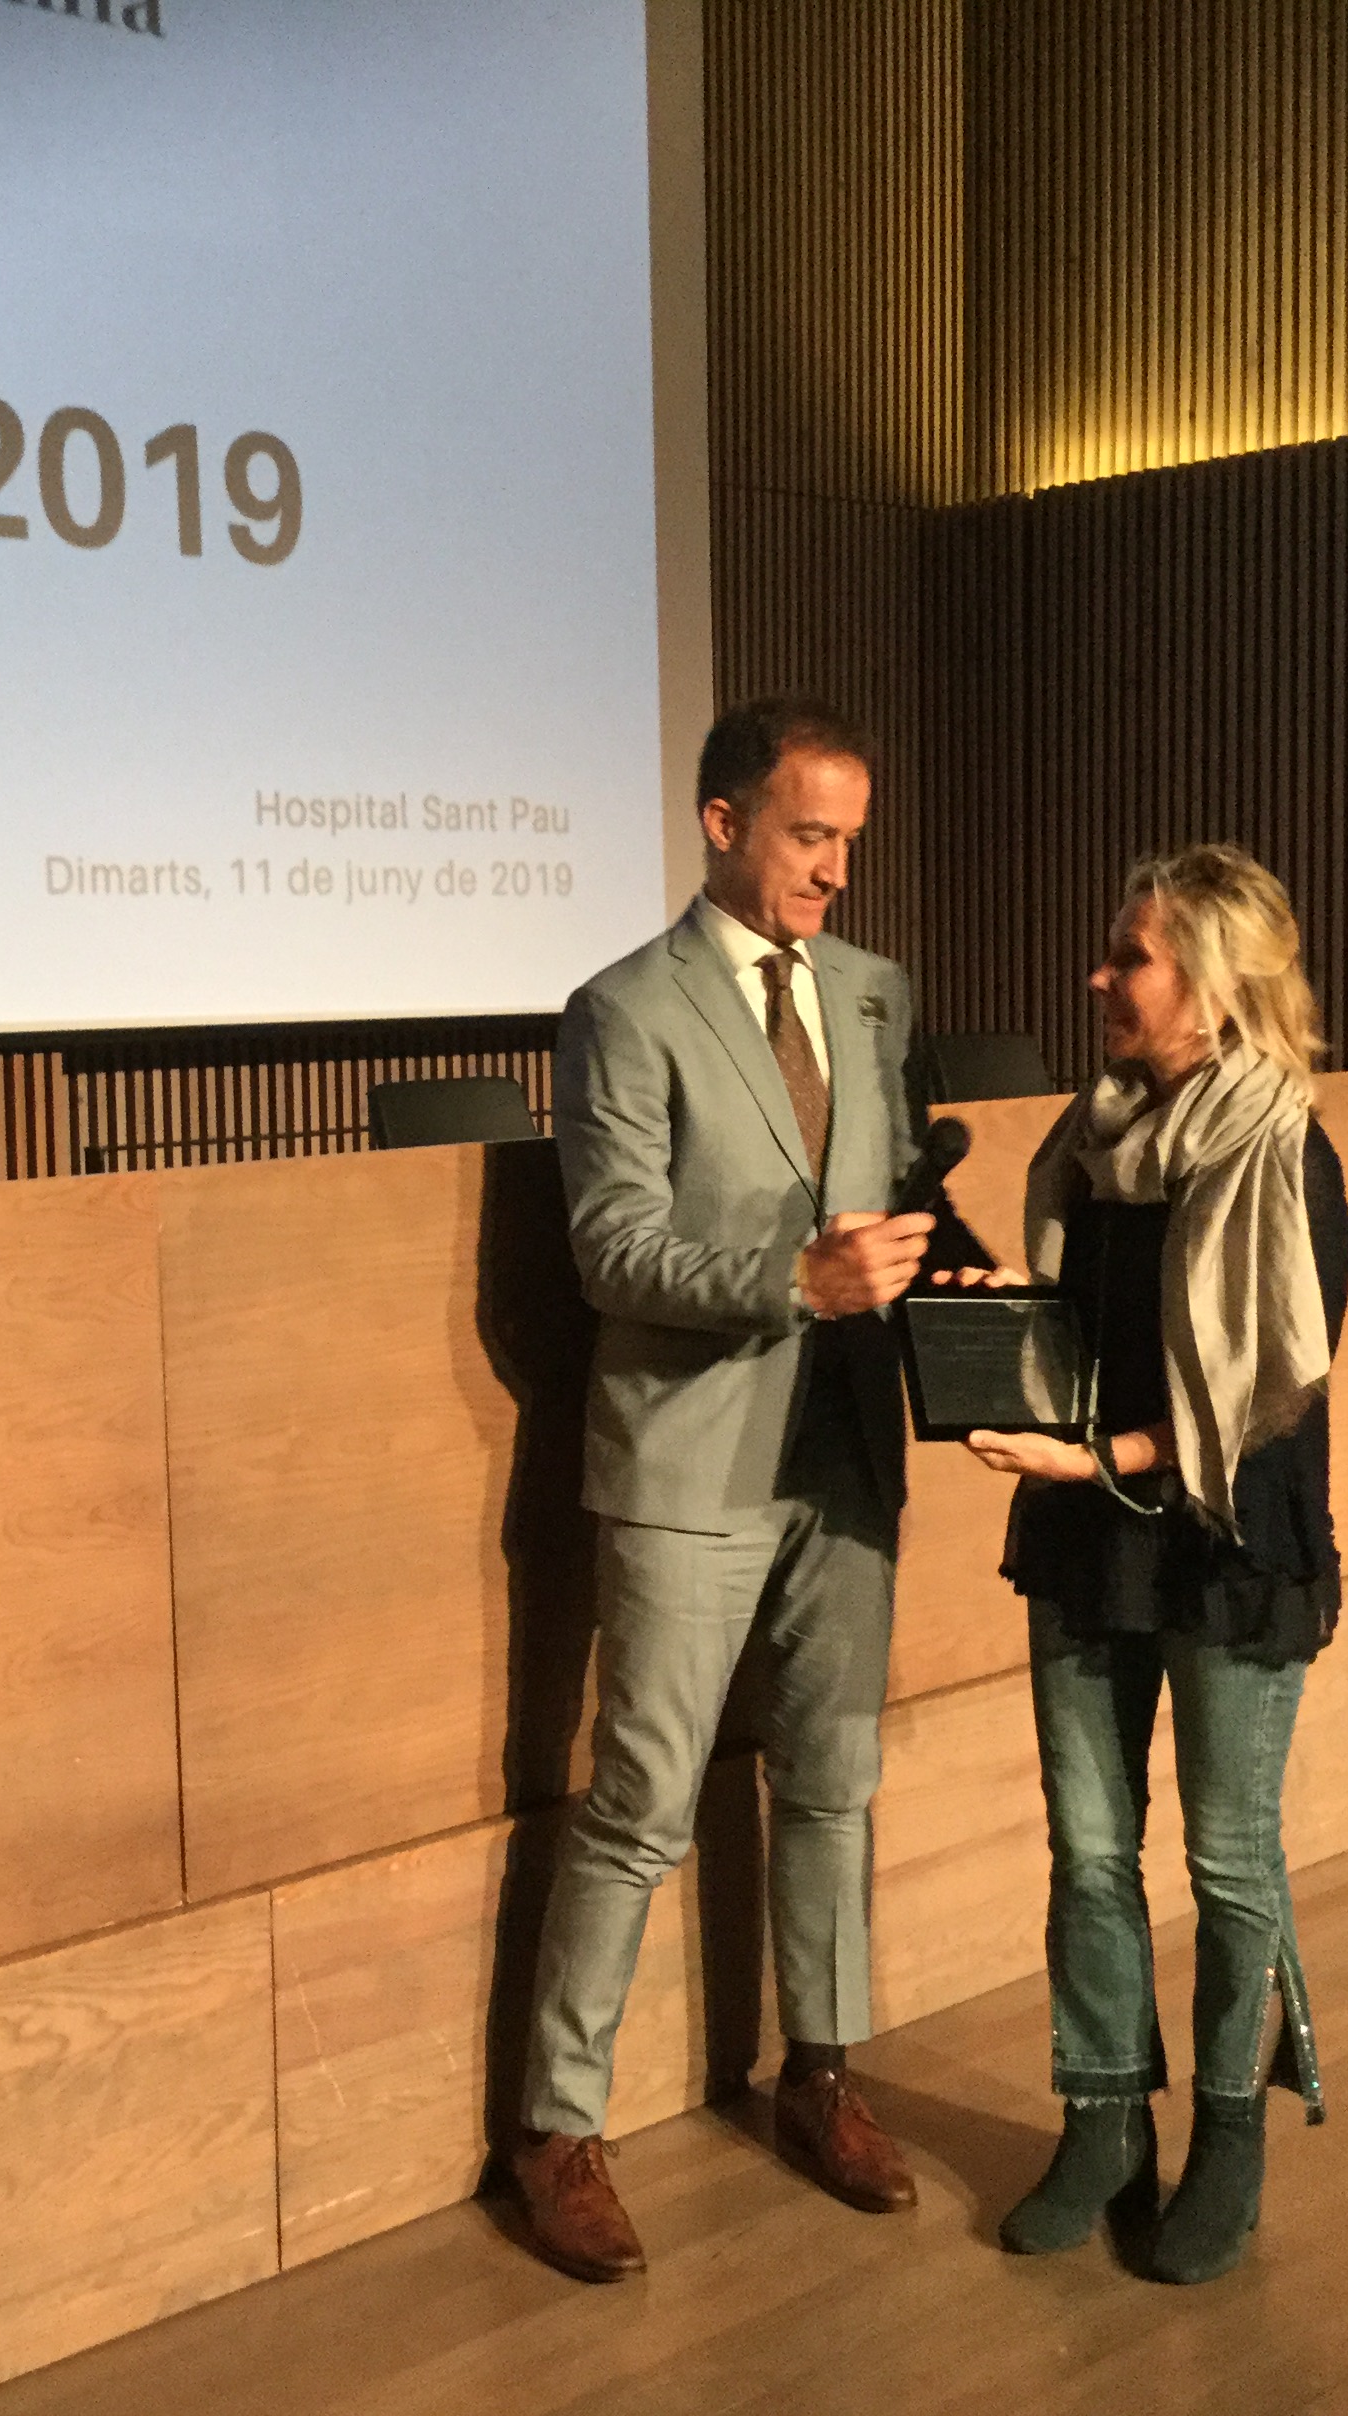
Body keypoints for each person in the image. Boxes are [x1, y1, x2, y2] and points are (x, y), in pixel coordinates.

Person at [505, 698, 937, 2283]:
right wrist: (793, 1283)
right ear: (722, 822)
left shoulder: (875, 993)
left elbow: (896, 1197)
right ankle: (557, 2130)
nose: (834, 870)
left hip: (848, 1452)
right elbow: (610, 1248)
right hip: (692, 1453)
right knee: (640, 1805)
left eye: (849, 841)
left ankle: (823, 2075)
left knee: (834, 1781)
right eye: (810, 835)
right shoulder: (622, 1008)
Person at [955, 843, 1348, 2286]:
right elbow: (1089, 1335)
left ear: (1218, 985)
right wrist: (1009, 1320)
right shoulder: (1095, 1134)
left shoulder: (1287, 1152)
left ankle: (1230, 2136)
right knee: (1088, 1847)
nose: (1099, 977)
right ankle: (1106, 2118)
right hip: (1086, 1535)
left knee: (1229, 1859)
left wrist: (1104, 1457)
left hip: (1224, 1543)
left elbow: (1269, 1403)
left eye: (1132, 957)